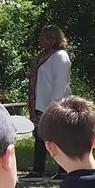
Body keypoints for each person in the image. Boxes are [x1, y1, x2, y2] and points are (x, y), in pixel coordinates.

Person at [27, 25, 72, 178]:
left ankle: (64, 170)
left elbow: (60, 83)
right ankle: (37, 169)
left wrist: (55, 105)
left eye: (44, 38)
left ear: (52, 39)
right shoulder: (45, 57)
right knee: (40, 136)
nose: (40, 41)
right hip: (41, 102)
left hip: (55, 104)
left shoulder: (60, 56)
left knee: (58, 137)